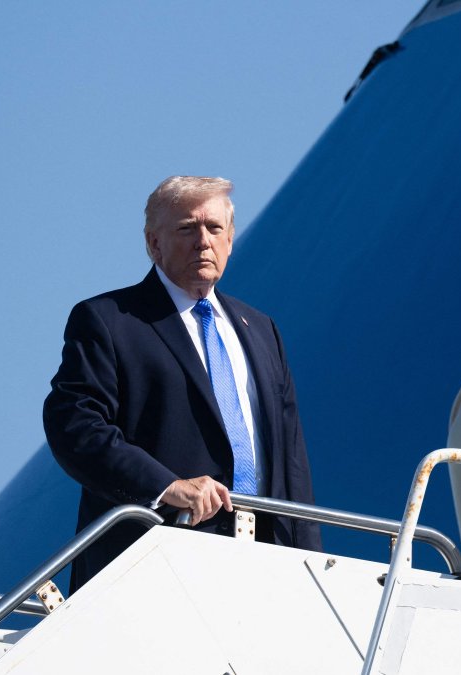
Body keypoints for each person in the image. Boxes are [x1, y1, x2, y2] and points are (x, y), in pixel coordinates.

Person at [44, 175, 321, 592]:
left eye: (214, 229)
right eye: (187, 229)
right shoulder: (109, 321)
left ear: (230, 240)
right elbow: (76, 428)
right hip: (153, 562)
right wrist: (166, 487)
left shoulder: (262, 331)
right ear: (153, 244)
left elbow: (291, 462)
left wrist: (310, 566)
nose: (203, 241)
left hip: (264, 563)